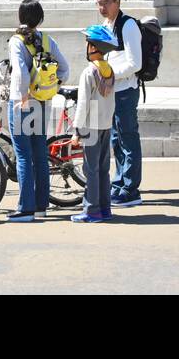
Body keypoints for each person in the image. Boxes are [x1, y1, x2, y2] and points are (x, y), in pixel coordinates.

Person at [5, 0, 70, 222]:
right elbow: (65, 69)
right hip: (42, 102)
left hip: (21, 103)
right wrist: (51, 88)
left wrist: (23, 97)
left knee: (23, 155)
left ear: (20, 17)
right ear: (40, 18)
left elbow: (20, 73)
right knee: (40, 153)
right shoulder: (47, 40)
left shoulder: (16, 41)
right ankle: (41, 205)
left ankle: (25, 208)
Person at [97, 0, 144, 207]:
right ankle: (119, 184)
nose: (102, 8)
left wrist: (111, 75)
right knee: (116, 140)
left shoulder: (128, 26)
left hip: (125, 90)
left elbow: (135, 63)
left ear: (117, 2)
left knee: (128, 138)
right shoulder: (106, 24)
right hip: (111, 91)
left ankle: (130, 190)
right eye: (99, 3)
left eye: (106, 3)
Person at [70, 25, 118, 223]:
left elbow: (83, 104)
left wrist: (77, 130)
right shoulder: (110, 71)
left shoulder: (89, 72)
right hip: (106, 124)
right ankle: (105, 209)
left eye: (88, 43)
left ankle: (91, 211)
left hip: (90, 126)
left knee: (90, 169)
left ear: (93, 47)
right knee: (103, 169)